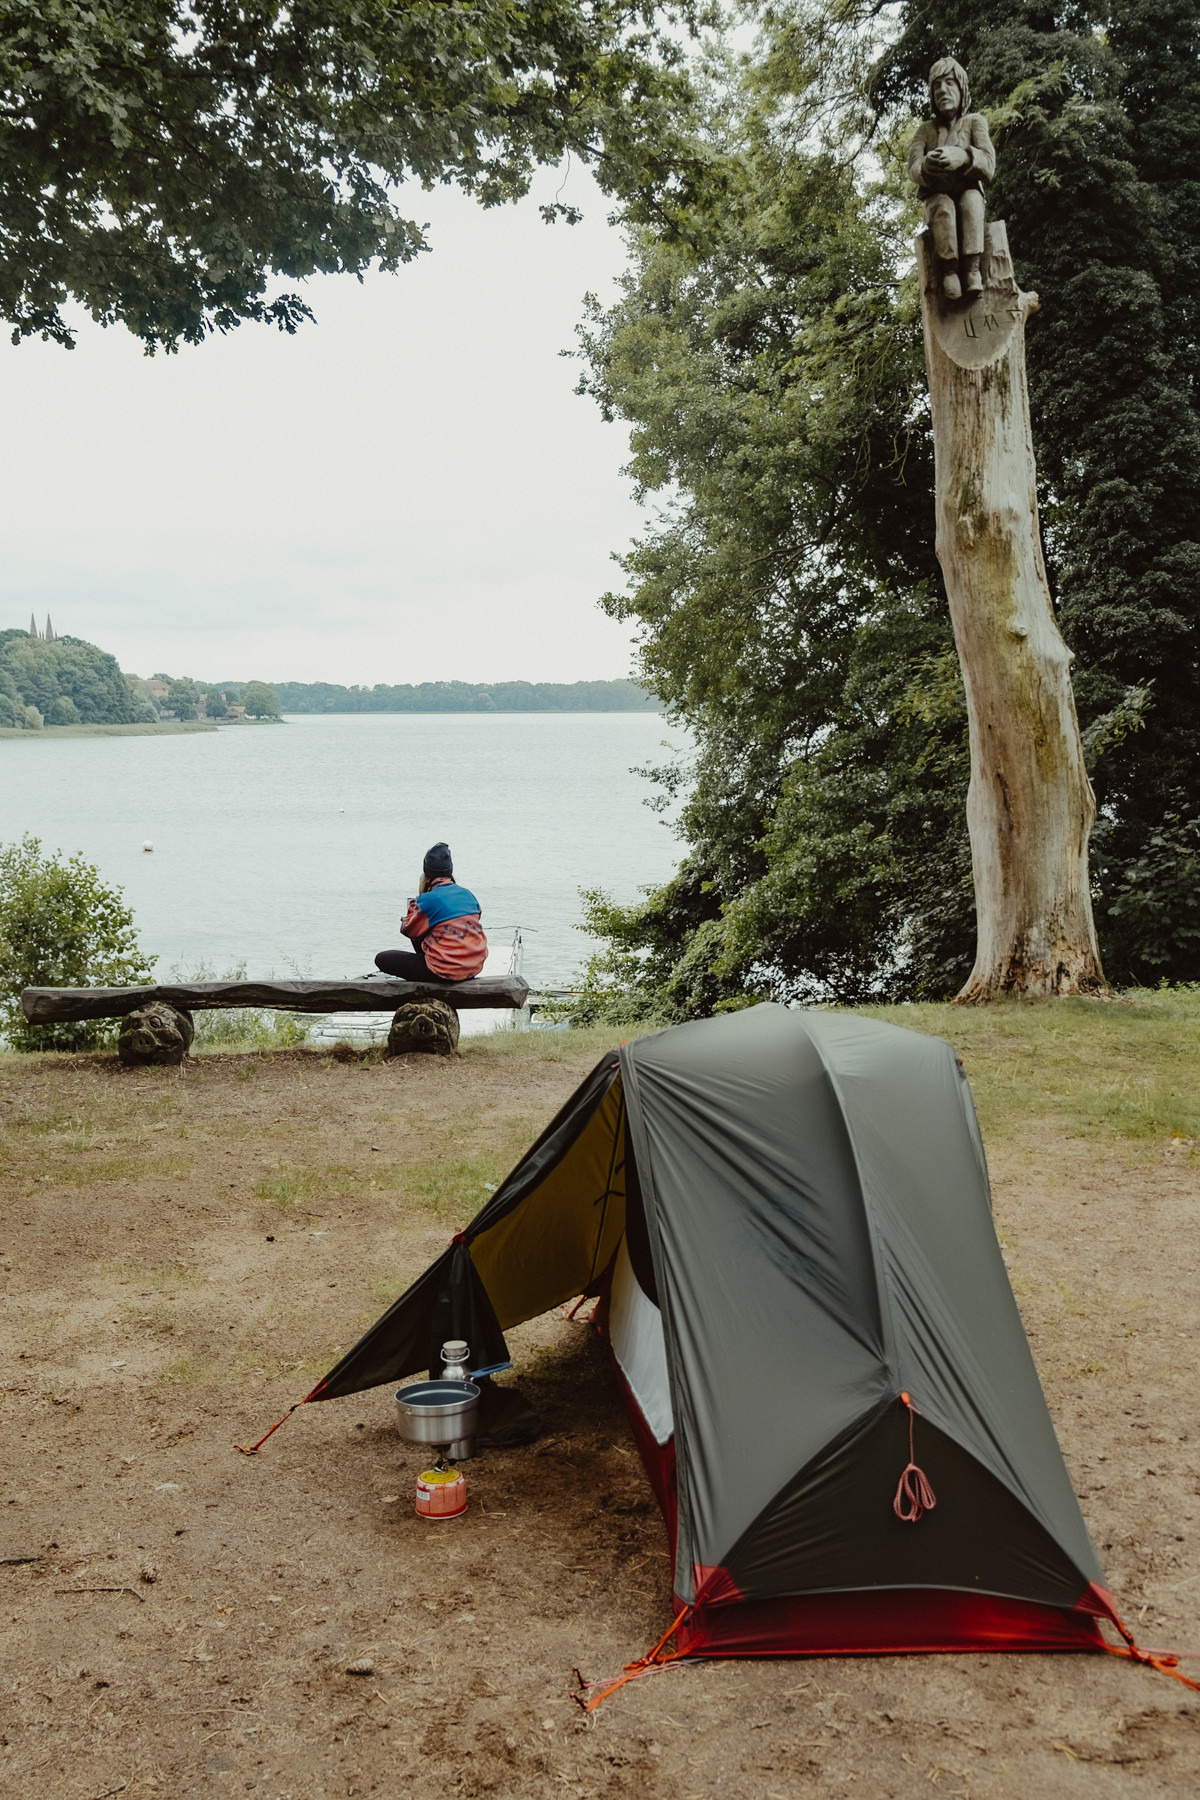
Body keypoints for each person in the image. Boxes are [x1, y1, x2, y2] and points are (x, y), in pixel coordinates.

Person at [907, 56, 996, 302]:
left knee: (971, 201)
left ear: (961, 88)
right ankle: (949, 270)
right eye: (937, 86)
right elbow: (912, 167)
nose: (943, 90)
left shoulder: (974, 122)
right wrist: (926, 165)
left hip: (968, 194)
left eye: (949, 83)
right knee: (943, 207)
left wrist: (965, 156)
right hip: (937, 198)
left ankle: (972, 268)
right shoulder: (926, 130)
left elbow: (989, 164)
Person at [374, 842, 488, 983]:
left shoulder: (427, 899)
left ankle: (430, 977)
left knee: (382, 958)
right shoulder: (469, 895)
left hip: (444, 972)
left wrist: (412, 909)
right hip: (473, 968)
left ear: (427, 874)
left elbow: (409, 930)